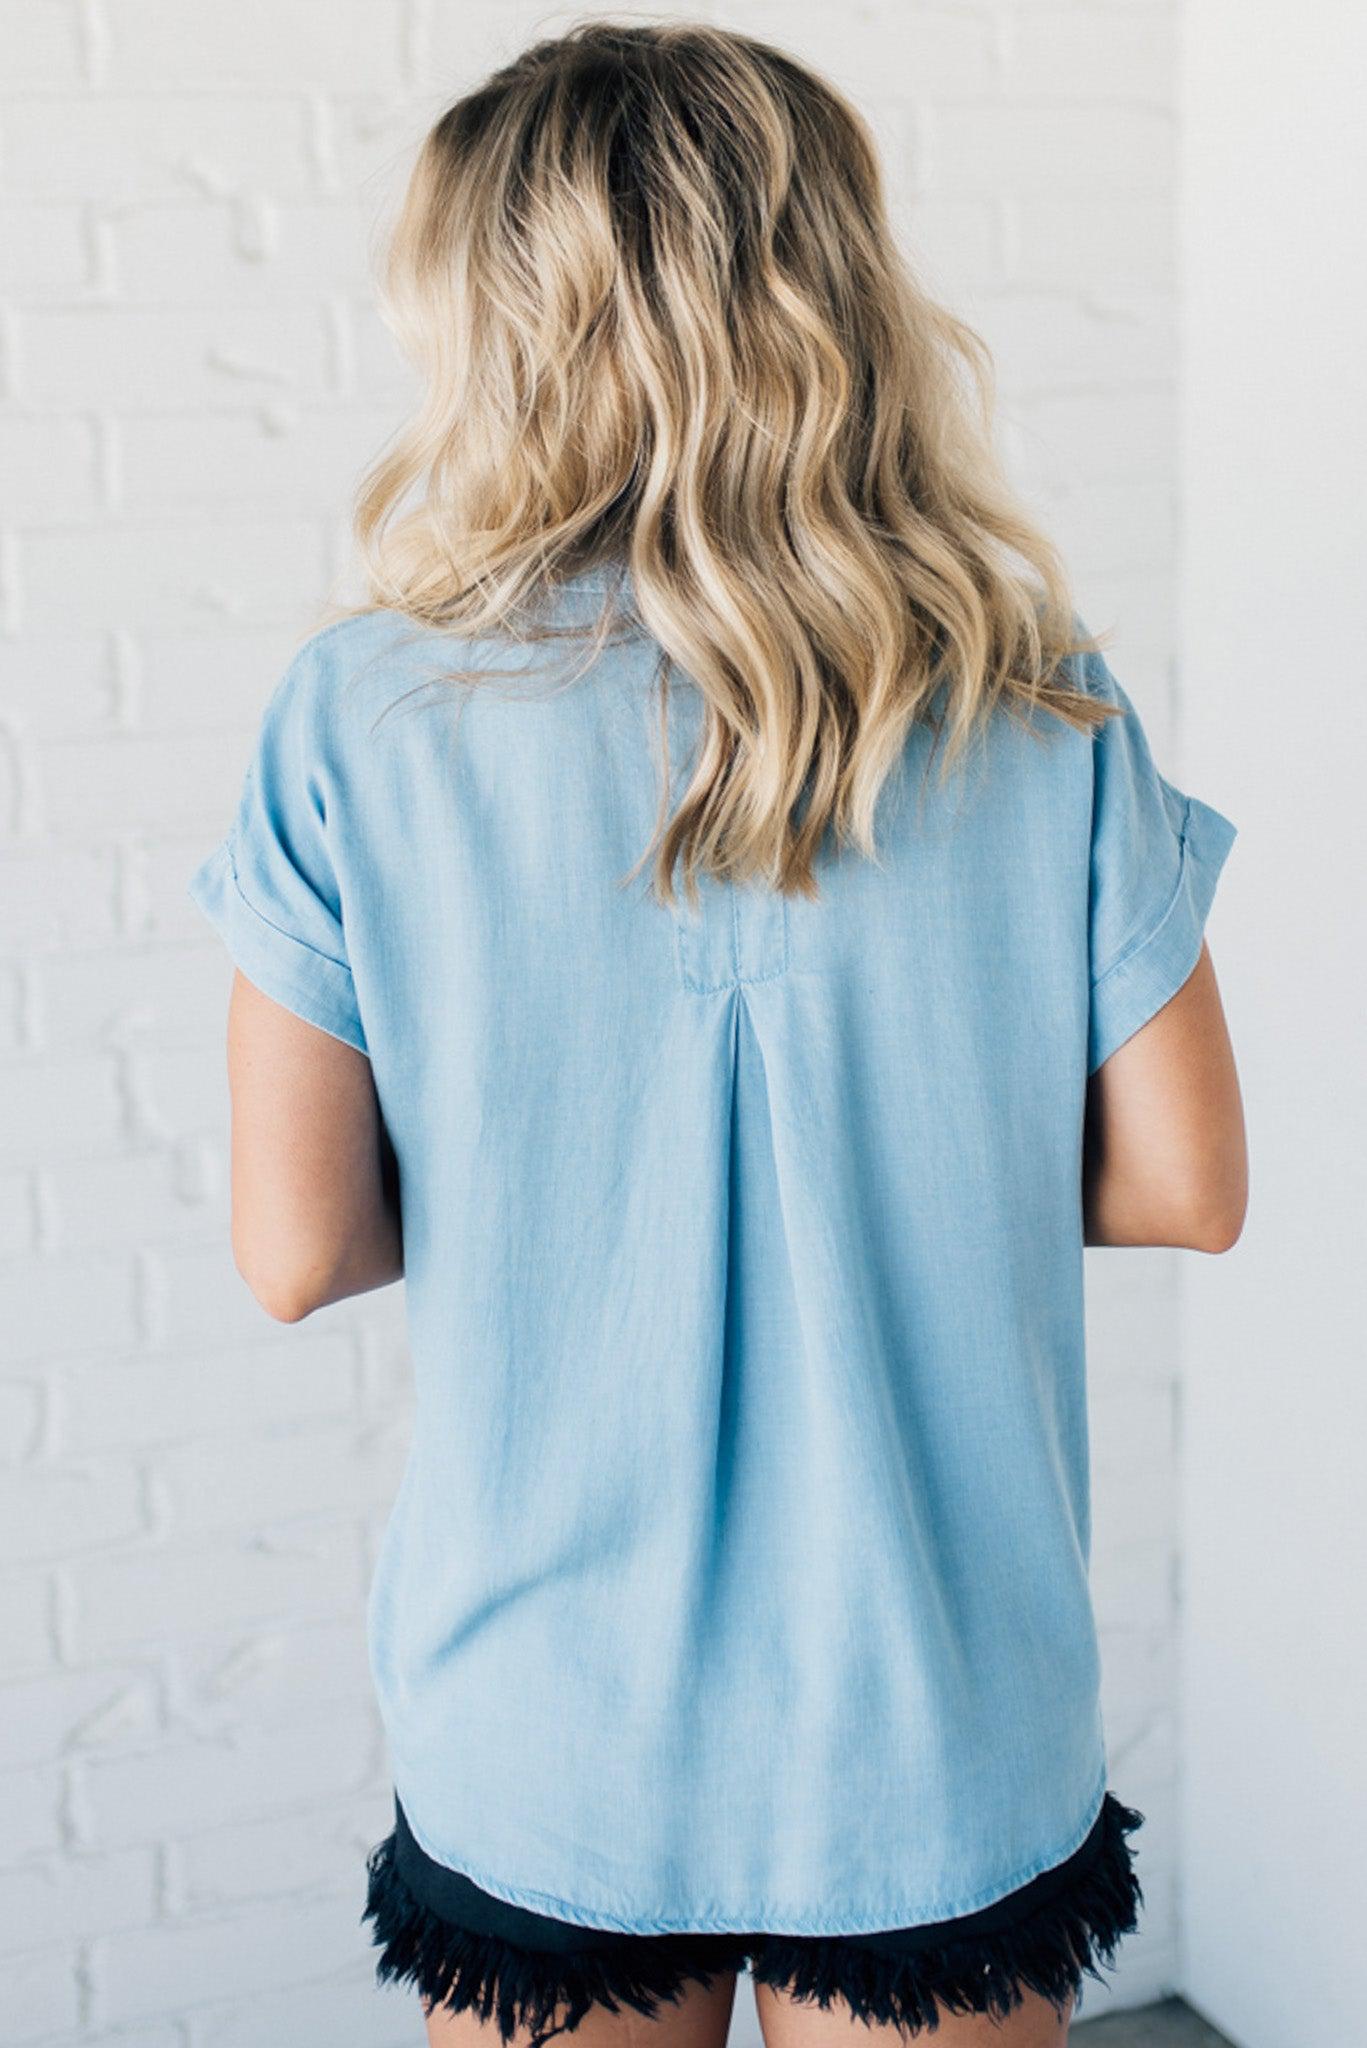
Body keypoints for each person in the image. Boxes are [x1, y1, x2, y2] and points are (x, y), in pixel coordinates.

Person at [187, 21, 1247, 2048]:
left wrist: (548, 1162)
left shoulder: (360, 719)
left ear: (492, 319)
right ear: (835, 295)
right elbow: (1193, 1187)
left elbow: (294, 1240)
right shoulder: (1037, 700)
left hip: (549, 1713)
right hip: (933, 1707)